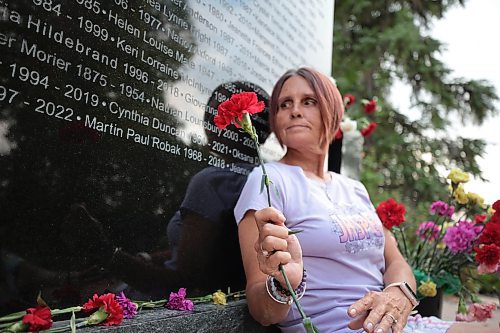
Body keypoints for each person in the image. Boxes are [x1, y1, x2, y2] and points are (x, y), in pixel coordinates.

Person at [234, 67, 497, 333]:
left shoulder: (354, 188)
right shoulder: (269, 180)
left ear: (334, 112)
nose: (295, 110)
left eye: (309, 101)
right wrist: (282, 285)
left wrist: (398, 293)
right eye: (284, 104)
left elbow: (395, 261)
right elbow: (261, 308)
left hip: (395, 324)